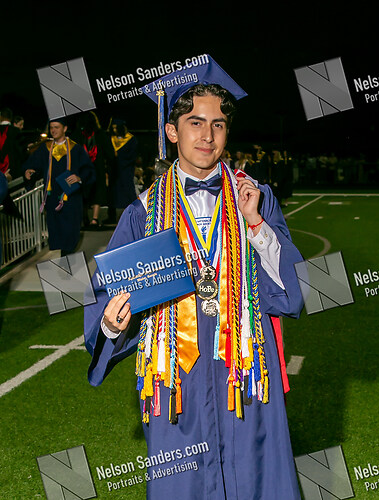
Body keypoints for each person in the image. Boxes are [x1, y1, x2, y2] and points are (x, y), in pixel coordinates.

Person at [84, 57, 303, 500]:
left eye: (218, 125)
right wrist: (111, 323)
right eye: (195, 122)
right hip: (175, 380)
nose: (207, 136)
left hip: (245, 373)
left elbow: (293, 292)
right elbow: (108, 296)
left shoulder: (254, 197)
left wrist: (256, 225)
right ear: (171, 131)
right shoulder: (144, 212)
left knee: (256, 479)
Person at [23, 117, 95, 256]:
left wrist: (80, 178)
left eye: (57, 127)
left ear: (65, 129)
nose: (53, 130)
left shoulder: (75, 149)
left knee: (70, 230)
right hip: (52, 197)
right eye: (51, 128)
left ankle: (67, 257)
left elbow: (88, 170)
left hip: (71, 196)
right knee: (57, 230)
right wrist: (29, 171)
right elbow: (34, 165)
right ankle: (65, 257)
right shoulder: (45, 148)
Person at [71, 111, 114, 228]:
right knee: (97, 193)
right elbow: (110, 154)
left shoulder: (76, 135)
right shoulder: (101, 135)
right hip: (98, 168)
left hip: (81, 169)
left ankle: (84, 217)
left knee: (84, 193)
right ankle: (94, 219)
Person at [103, 118, 138, 224]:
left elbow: (132, 156)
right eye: (113, 128)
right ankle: (111, 216)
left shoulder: (131, 139)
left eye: (116, 128)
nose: (114, 130)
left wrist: (119, 157)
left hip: (126, 170)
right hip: (114, 171)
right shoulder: (110, 139)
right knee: (112, 193)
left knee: (128, 191)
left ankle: (134, 215)